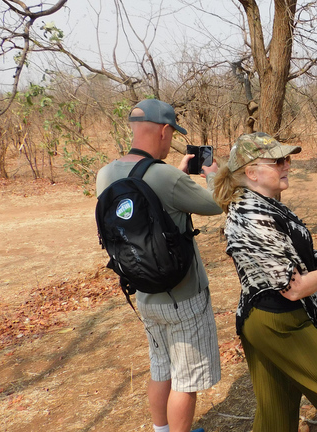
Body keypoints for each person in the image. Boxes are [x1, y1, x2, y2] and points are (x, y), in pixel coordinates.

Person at [211, 132, 317, 432]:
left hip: (269, 319)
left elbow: (301, 253)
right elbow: (293, 286)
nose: (287, 165)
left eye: (287, 158)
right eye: (277, 161)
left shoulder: (267, 205)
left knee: (276, 415)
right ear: (251, 172)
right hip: (281, 322)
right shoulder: (250, 214)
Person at [96, 99, 222, 432]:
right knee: (186, 380)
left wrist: (174, 178)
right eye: (172, 134)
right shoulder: (165, 176)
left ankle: (161, 430)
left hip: (144, 291)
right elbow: (216, 204)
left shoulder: (105, 173)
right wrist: (212, 174)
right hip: (183, 294)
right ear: (164, 131)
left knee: (160, 369)